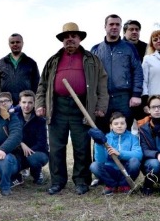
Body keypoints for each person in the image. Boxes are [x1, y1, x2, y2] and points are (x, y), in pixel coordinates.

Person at [36, 22, 109, 195]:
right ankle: (57, 182)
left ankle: (81, 181)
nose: (70, 39)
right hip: (58, 107)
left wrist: (100, 106)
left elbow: (102, 83)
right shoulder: (53, 60)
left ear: (79, 38)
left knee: (81, 146)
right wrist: (40, 104)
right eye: (66, 37)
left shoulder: (92, 59)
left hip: (82, 107)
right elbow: (42, 85)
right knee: (56, 147)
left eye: (73, 36)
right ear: (62, 40)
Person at [90, 14, 142, 131]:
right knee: (102, 134)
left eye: (117, 24)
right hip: (103, 98)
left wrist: (136, 94)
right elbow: (90, 76)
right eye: (111, 24)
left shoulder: (129, 48)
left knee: (124, 132)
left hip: (123, 98)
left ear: (120, 27)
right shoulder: (96, 50)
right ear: (105, 27)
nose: (114, 27)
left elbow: (138, 71)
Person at [88, 112, 142, 195]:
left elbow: (138, 155)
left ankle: (124, 185)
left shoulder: (132, 137)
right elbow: (100, 160)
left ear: (126, 125)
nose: (119, 126)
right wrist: (98, 144)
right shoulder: (105, 139)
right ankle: (111, 185)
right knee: (94, 166)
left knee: (135, 162)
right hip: (111, 171)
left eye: (122, 123)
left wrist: (120, 153)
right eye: (116, 124)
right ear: (111, 126)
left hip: (126, 171)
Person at [0, 33, 40, 104]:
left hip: (24, 105)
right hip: (5, 104)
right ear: (9, 44)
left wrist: (36, 102)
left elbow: (37, 84)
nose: (15, 44)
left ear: (22, 43)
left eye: (18, 42)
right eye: (12, 42)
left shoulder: (31, 63)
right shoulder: (1, 63)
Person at [14, 90, 49, 185]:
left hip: (37, 152)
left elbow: (42, 143)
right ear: (19, 103)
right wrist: (21, 144)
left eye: (30, 102)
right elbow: (11, 136)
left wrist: (28, 151)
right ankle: (17, 175)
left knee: (33, 158)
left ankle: (37, 174)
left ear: (34, 104)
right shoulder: (14, 118)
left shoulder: (40, 120)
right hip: (19, 150)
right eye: (24, 102)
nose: (26, 105)